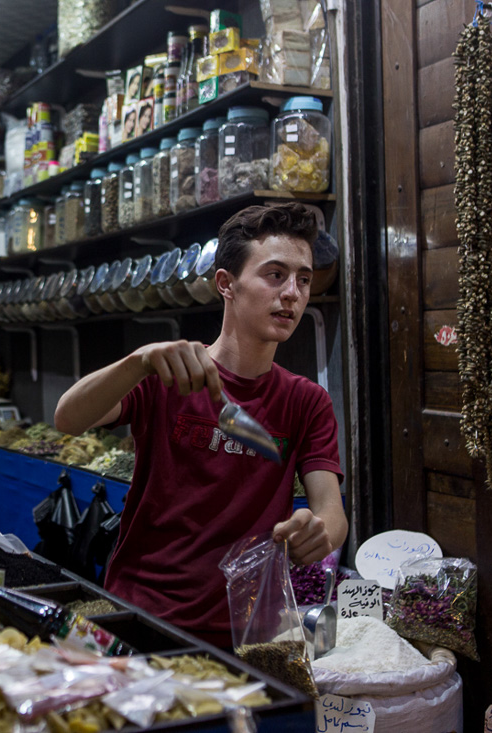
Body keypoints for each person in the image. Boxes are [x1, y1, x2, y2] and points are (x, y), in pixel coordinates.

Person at [54, 202, 347, 648]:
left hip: (247, 630)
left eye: (303, 279)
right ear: (226, 284)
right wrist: (138, 361)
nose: (292, 293)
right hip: (140, 614)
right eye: (275, 275)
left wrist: (317, 532)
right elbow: (68, 418)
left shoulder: (306, 401)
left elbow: (332, 513)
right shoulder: (166, 373)